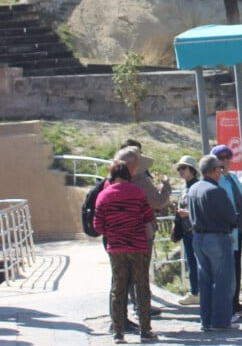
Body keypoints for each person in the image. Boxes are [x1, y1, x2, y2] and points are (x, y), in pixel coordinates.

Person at [93, 160, 156, 343]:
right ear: (128, 174)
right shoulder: (137, 192)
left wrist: (113, 233)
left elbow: (98, 225)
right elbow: (149, 216)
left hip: (116, 248)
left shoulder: (104, 196)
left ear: (111, 175)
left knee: (118, 289)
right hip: (138, 246)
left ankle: (118, 333)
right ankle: (145, 331)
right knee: (142, 287)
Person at [115, 142, 170, 322]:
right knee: (140, 275)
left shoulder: (111, 185)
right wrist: (166, 187)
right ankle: (143, 317)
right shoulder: (141, 183)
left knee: (122, 279)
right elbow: (158, 202)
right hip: (141, 235)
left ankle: (120, 323)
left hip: (118, 237)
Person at [183, 155, 238, 332]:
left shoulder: (194, 189)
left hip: (198, 238)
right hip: (217, 237)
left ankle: (206, 320)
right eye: (220, 169)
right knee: (222, 281)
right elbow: (231, 216)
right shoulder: (216, 190)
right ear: (215, 170)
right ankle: (221, 321)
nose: (221, 172)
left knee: (205, 281)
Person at [212, 144, 242, 320]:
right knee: (225, 272)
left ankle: (235, 303)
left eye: (228, 156)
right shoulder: (216, 181)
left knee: (235, 269)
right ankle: (226, 307)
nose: (225, 160)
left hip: (238, 231)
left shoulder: (233, 179)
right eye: (221, 157)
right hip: (226, 234)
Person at [172, 156, 201, 306]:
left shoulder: (198, 186)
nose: (180, 171)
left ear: (192, 170)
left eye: (184, 168)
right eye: (179, 168)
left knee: (199, 262)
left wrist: (188, 214)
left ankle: (199, 291)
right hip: (186, 230)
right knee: (191, 261)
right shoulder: (184, 187)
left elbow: (202, 208)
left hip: (197, 230)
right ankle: (194, 290)